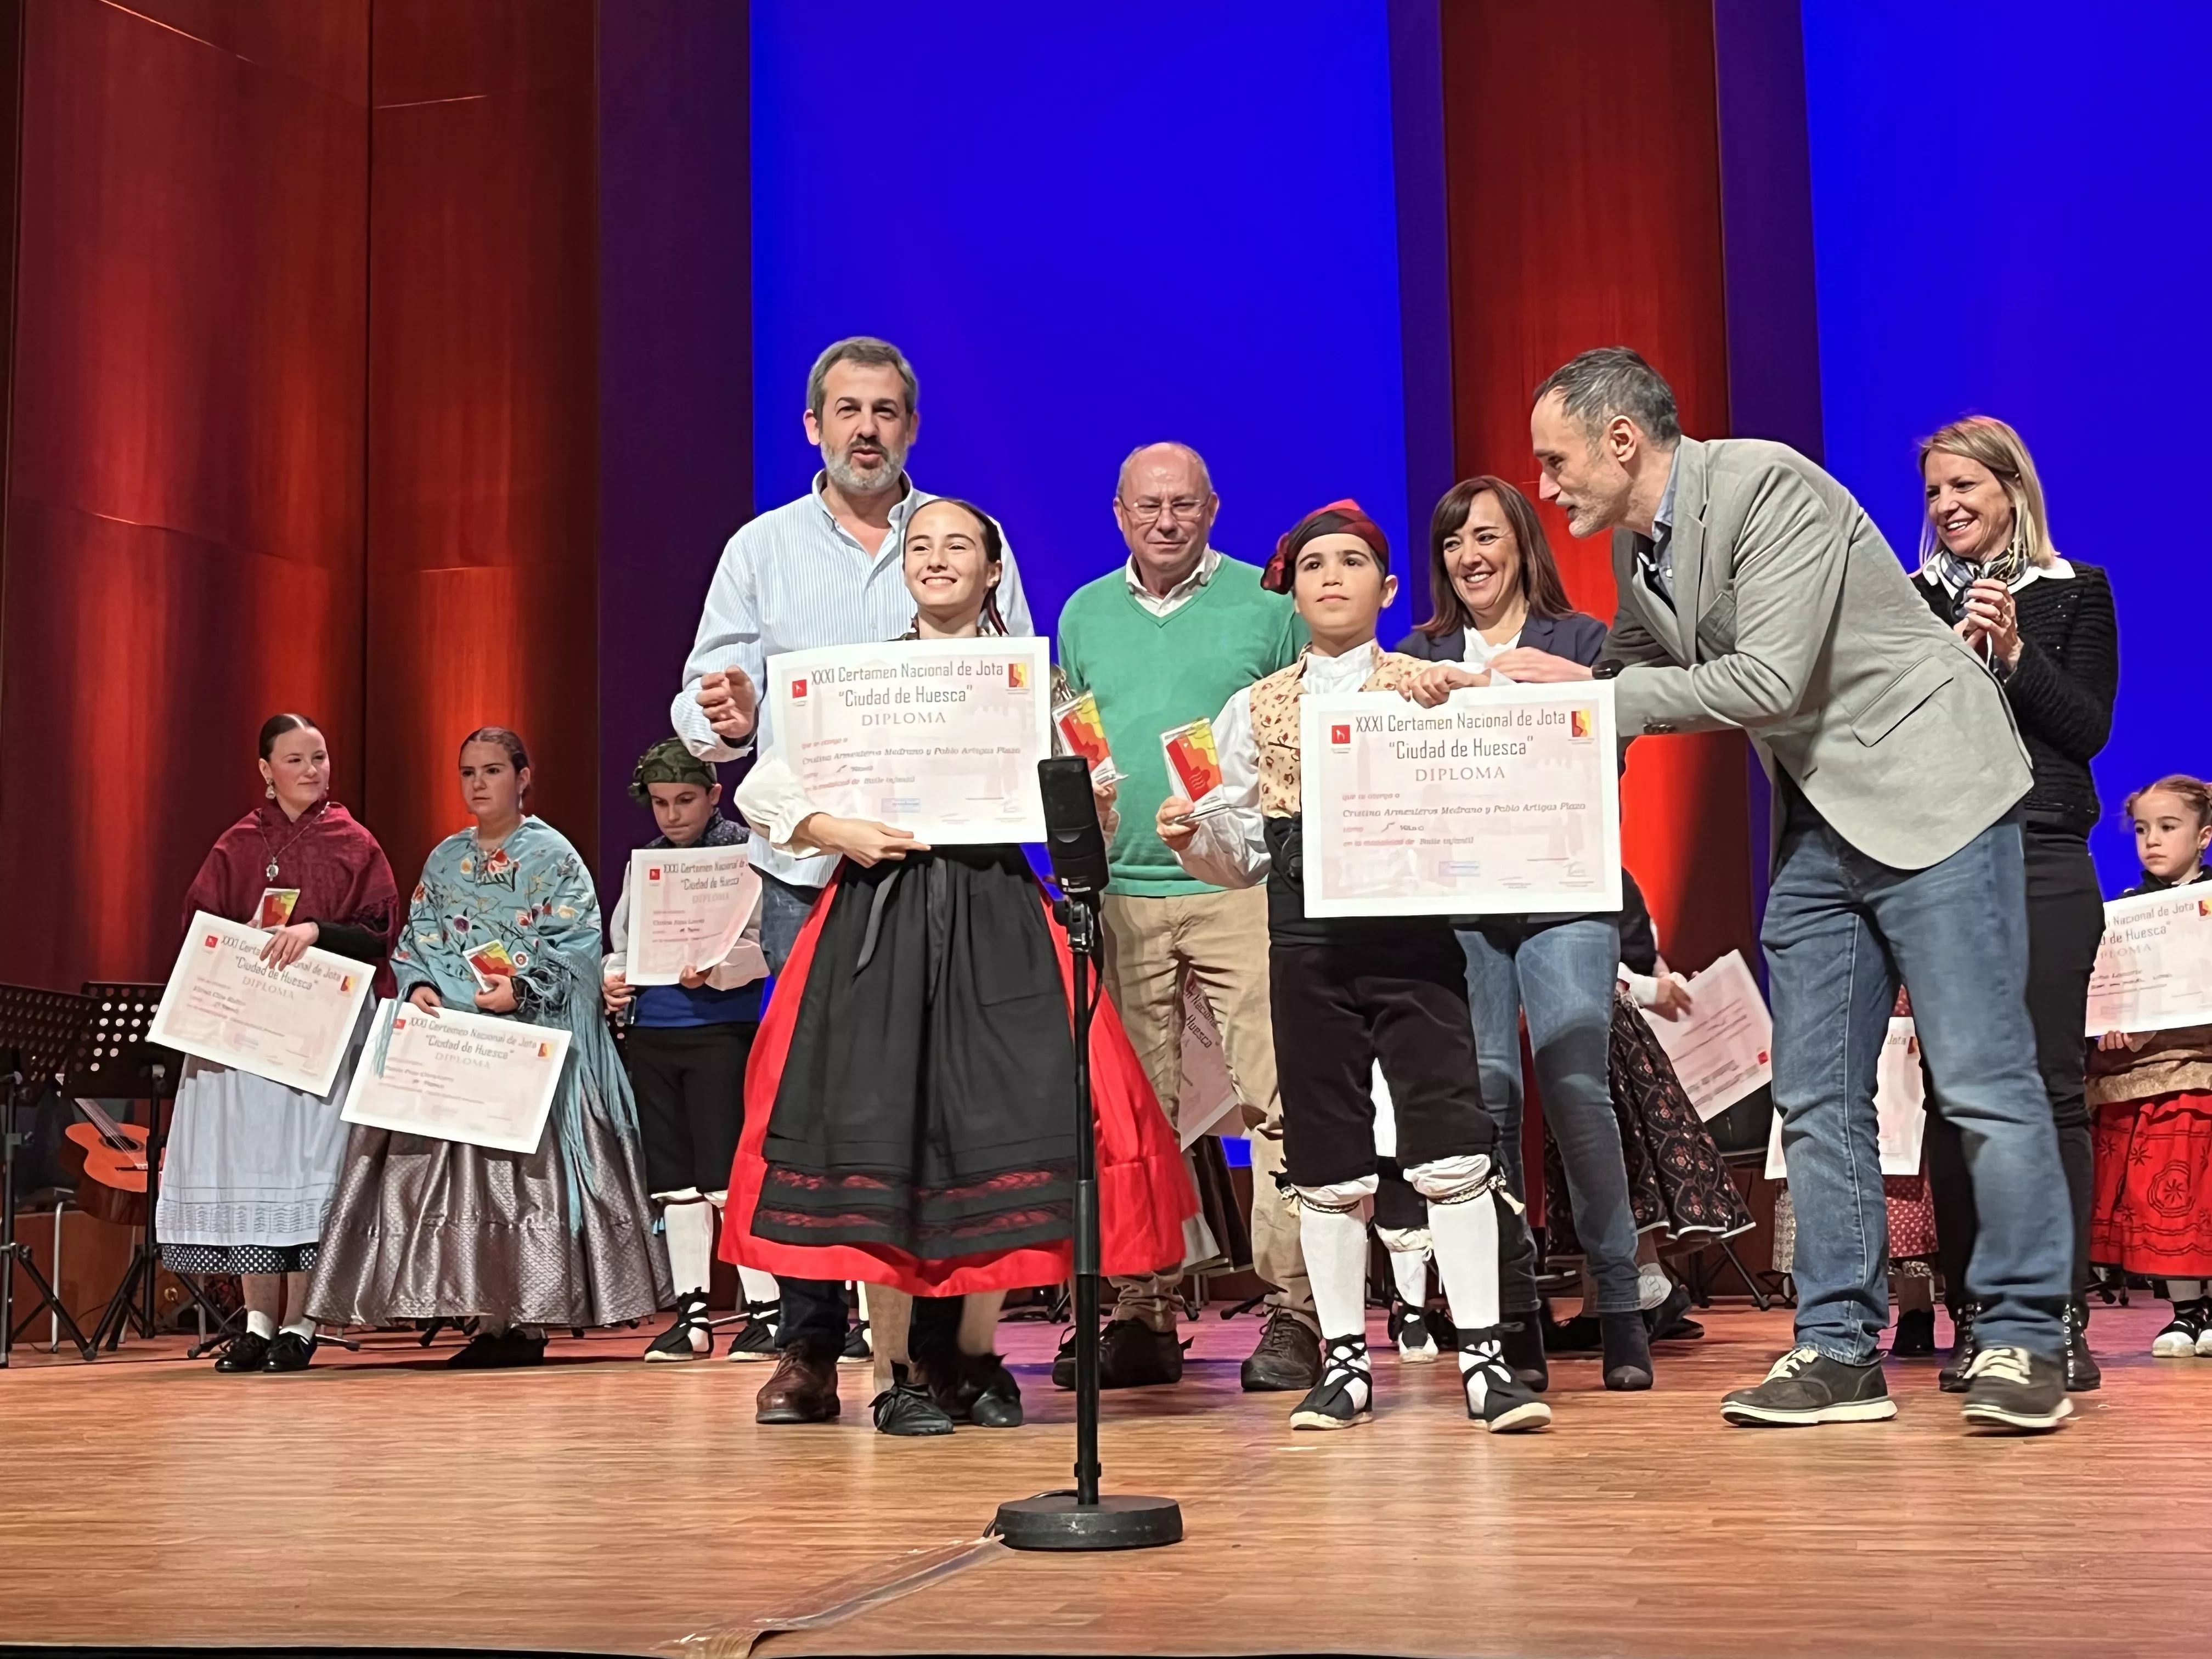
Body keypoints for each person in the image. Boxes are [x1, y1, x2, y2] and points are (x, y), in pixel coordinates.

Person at [1417, 346, 2072, 1432]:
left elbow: (1765, 678)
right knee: (1811, 1096)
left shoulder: (1767, 486)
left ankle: (2022, 1335)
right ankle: (1838, 1346)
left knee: (1981, 1079)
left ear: (1620, 440)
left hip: (1935, 796)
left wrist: (1587, 698)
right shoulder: (1637, 548)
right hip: (1820, 823)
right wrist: (1483, 720)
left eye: (1555, 460)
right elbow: (1618, 682)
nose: (1545, 484)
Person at [720, 497, 1192, 1432]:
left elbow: (1087, 785)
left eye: (958, 546)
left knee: (1003, 1131)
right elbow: (767, 783)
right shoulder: (861, 674)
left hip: (994, 910)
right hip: (882, 911)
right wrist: (834, 829)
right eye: (921, 546)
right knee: (882, 1133)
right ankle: (894, 1367)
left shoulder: (1033, 682)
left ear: (992, 569)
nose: (936, 559)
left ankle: (968, 1355)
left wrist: (1088, 800)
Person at [670, 337, 1034, 1413]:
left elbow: (1019, 684)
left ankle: (943, 1348)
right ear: (814, 426)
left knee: (944, 1109)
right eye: (847, 410)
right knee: (821, 1114)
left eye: (885, 411)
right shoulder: (762, 549)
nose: (866, 428)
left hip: (956, 878)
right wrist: (723, 717)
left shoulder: (963, 536)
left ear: (910, 426)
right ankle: (808, 1342)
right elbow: (704, 707)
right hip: (812, 873)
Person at [1159, 499, 1549, 1434]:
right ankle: (1343, 1362)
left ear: (1388, 586)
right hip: (1307, 947)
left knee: (1451, 1137)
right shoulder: (1255, 708)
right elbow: (1238, 850)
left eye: (1351, 562)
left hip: (1412, 941)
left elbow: (1499, 792)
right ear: (1291, 594)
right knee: (1325, 1151)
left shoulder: (1437, 686)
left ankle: (1485, 1359)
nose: (1331, 577)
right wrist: (1190, 837)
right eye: (1312, 566)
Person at [1056, 440, 1319, 1394]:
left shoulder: (1268, 605)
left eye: (1182, 505)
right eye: (1147, 506)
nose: (1165, 521)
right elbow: (1077, 741)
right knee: (1135, 1115)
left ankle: (1296, 1308)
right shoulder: (1082, 613)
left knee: (1278, 1100)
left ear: (1212, 508)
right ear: (1118, 513)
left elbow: (1295, 746)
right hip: (1123, 892)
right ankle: (1142, 1309)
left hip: (1238, 886)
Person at [1397, 476, 1653, 1391]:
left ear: (1521, 546)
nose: (1470, 555)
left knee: (1577, 1088)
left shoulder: (1579, 640)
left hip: (1563, 895)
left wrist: (1569, 692)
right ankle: (1514, 1315)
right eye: (1453, 540)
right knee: (1490, 1102)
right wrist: (1410, 701)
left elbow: (1612, 750)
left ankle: (1621, 1304)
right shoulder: (1418, 653)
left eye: (1486, 536)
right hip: (1463, 905)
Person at [308, 727, 668, 1364]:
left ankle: (526, 1319)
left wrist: (521, 989)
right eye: (468, 772)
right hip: (458, 1044)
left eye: (493, 770)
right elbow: (417, 939)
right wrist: (420, 984)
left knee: (521, 1179)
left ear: (523, 778)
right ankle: (486, 1316)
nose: (478, 784)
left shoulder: (553, 856)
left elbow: (578, 948)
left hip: (527, 1044)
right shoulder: (445, 858)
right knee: (458, 1181)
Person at [1912, 415, 2118, 1394]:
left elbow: (2086, 729)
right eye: (1934, 491)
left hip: (2042, 852)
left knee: (2049, 1085)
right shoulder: (1911, 602)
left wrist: (2013, 650)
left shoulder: (2076, 590)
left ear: (2012, 490)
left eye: (1965, 486)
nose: (1947, 505)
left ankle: (2058, 1315)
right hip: (1944, 860)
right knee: (1954, 1097)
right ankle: (1977, 1314)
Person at [158, 714, 398, 1373]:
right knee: (251, 1170)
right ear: (266, 770)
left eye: (320, 757)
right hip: (246, 1035)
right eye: (296, 760)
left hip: (319, 1035)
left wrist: (316, 930)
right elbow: (199, 929)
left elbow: (379, 933)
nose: (312, 770)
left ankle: (303, 1322)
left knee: (305, 1171)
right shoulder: (236, 844)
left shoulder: (354, 843)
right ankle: (258, 1322)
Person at [602, 738, 774, 1363]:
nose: (672, 815)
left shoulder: (742, 856)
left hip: (720, 1031)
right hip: (654, 1032)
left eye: (684, 800)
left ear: (713, 795)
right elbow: (624, 941)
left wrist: (718, 971)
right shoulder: (647, 862)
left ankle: (768, 1310)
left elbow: (763, 946)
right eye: (660, 803)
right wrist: (612, 978)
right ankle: (692, 1314)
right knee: (675, 1182)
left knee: (725, 1175)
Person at [2088, 776, 2212, 1358]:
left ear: (2204, 836)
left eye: (2168, 827)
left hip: (2203, 1065)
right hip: (2147, 1072)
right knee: (2159, 1195)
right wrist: (2113, 1023)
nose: (2152, 841)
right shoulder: (2125, 912)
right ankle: (2186, 1311)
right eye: (2141, 830)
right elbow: (2111, 989)